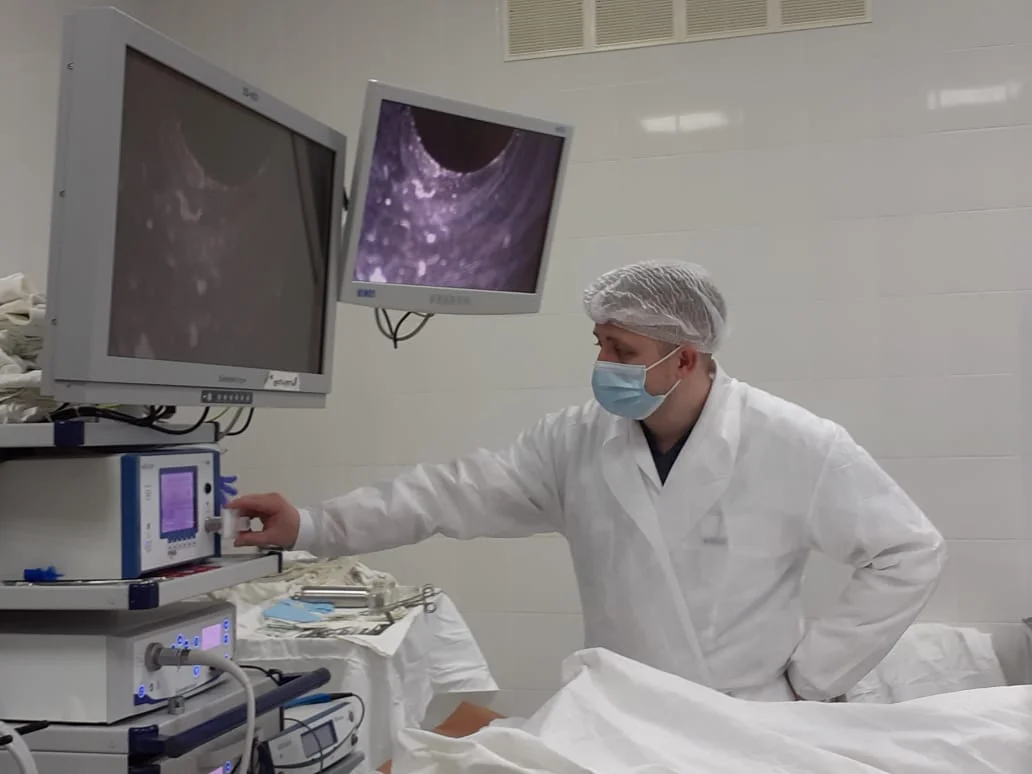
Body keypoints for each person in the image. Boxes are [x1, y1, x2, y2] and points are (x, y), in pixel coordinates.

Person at [231, 260, 946, 702]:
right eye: (600, 344)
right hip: (617, 712)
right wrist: (314, 525)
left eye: (622, 350)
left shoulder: (793, 442)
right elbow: (449, 493)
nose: (602, 363)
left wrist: (814, 677)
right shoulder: (575, 440)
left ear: (684, 359)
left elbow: (909, 551)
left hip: (745, 716)